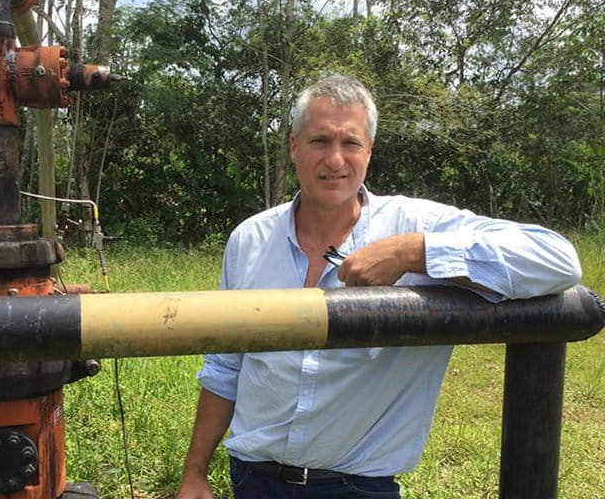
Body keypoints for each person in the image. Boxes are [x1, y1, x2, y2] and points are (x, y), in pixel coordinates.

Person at [174, 75, 582, 499]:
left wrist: (412, 253)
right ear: (294, 147)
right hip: (251, 479)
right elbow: (226, 366)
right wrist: (194, 474)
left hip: (359, 487)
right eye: (319, 141)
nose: (335, 159)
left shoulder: (414, 226)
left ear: (369, 152)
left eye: (350, 143)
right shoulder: (249, 239)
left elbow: (556, 258)